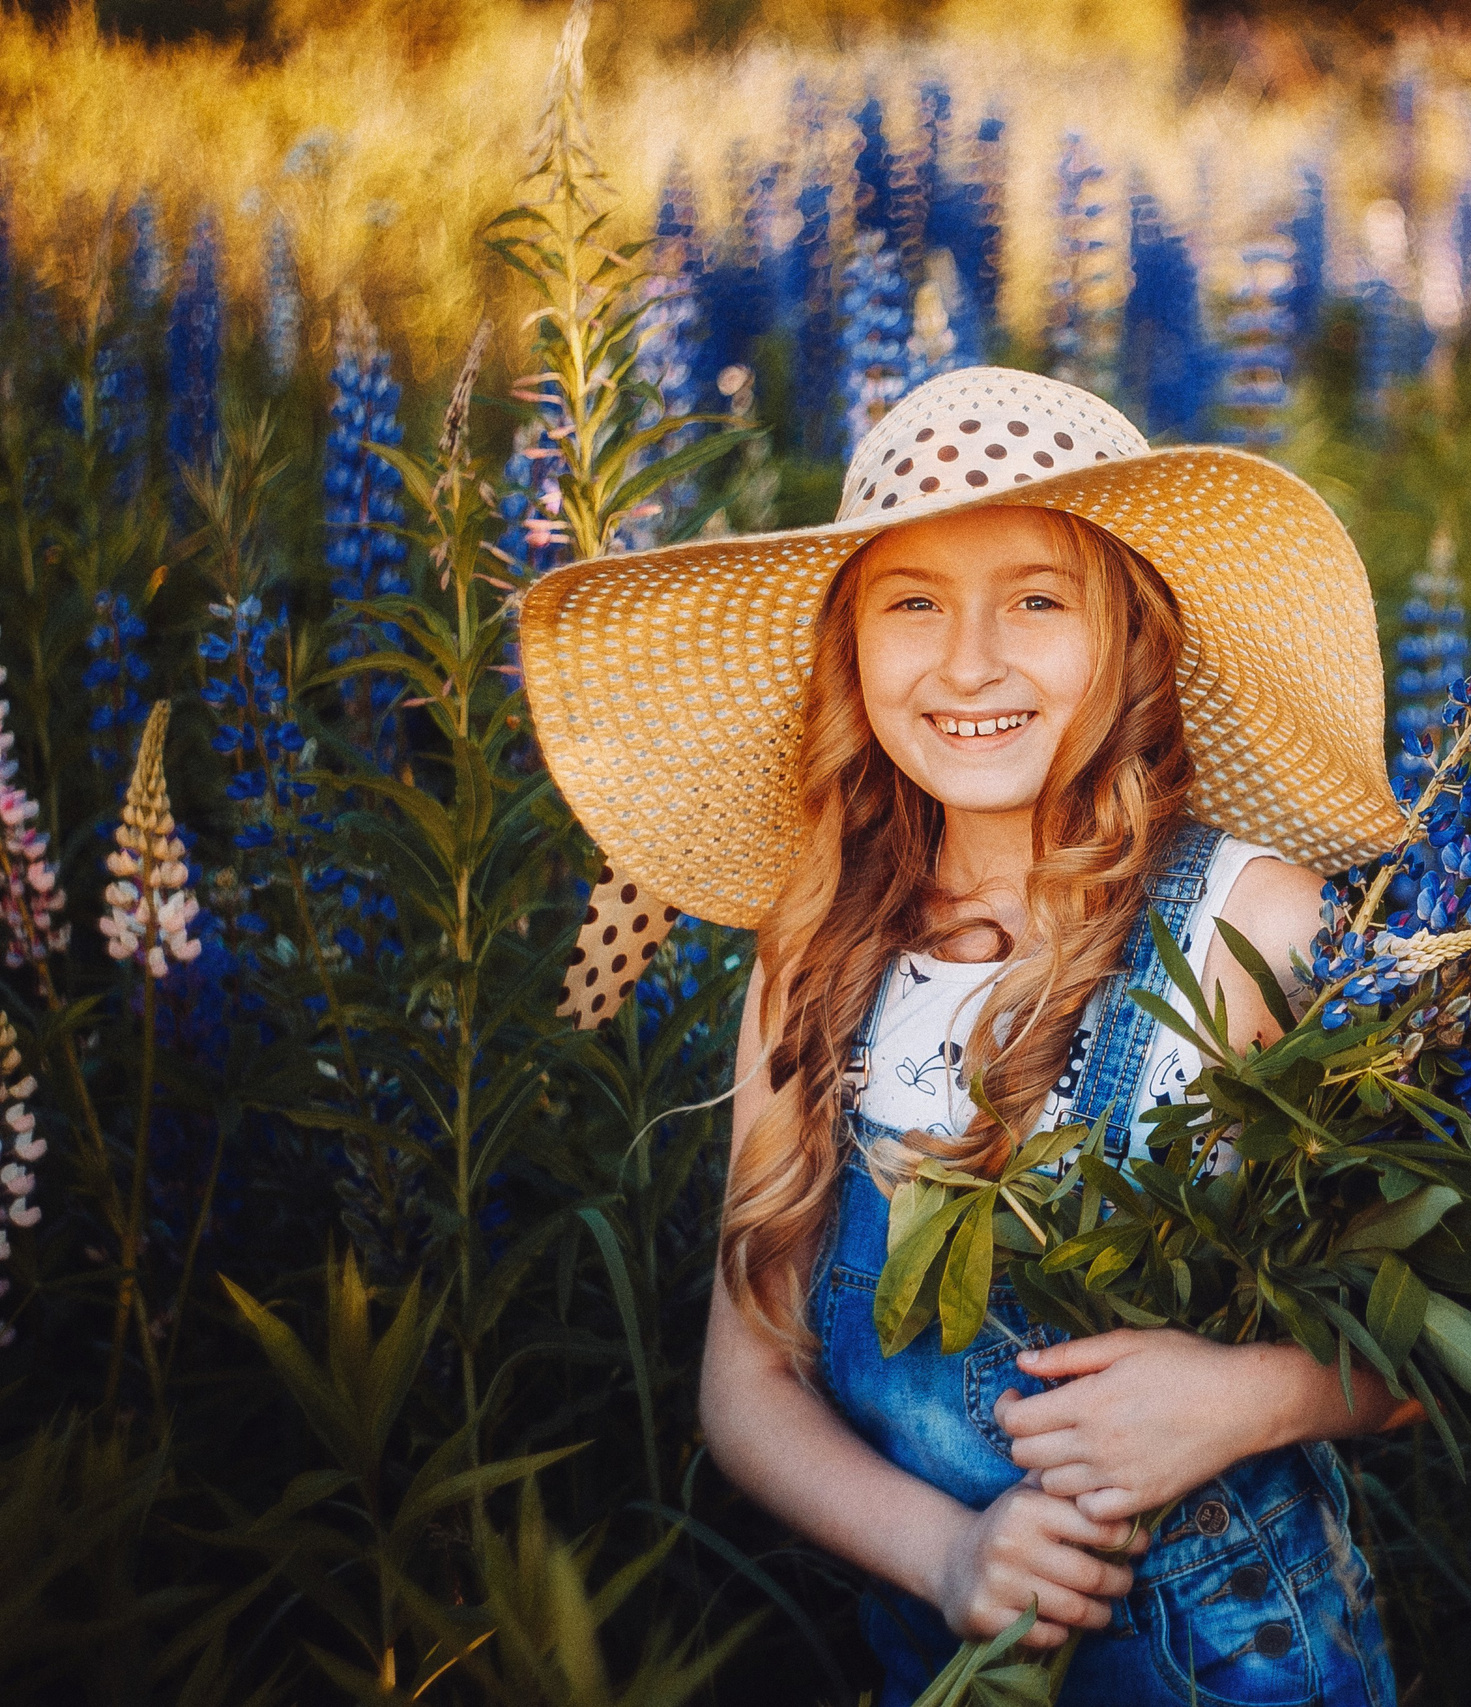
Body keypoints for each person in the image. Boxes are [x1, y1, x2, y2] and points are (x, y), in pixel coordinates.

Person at [517, 367, 1416, 1707]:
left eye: (1038, 600)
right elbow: (744, 1387)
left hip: (1246, 1671)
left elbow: (1430, 1332)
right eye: (913, 603)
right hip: (945, 1659)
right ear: (849, 650)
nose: (971, 662)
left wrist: (1249, 1398)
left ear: (1134, 636)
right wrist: (945, 1554)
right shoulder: (814, 956)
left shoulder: (1258, 923)